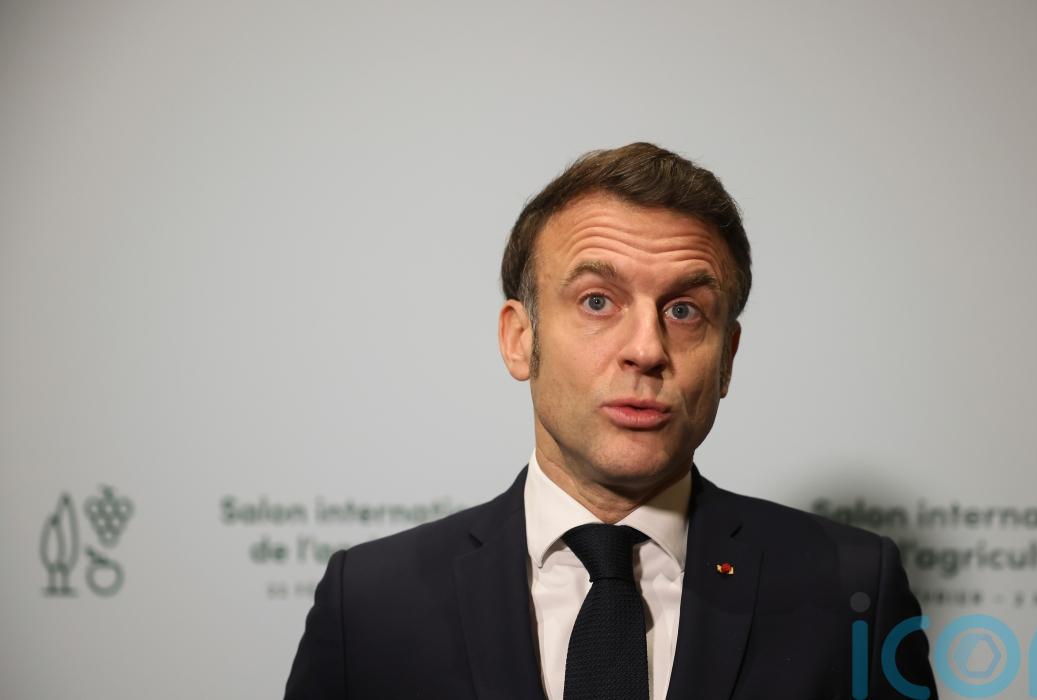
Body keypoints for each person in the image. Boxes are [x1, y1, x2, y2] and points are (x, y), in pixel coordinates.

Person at [284, 143, 937, 699]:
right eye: (598, 301)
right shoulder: (369, 602)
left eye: (684, 311)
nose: (647, 349)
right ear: (519, 339)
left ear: (727, 359)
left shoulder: (855, 592)